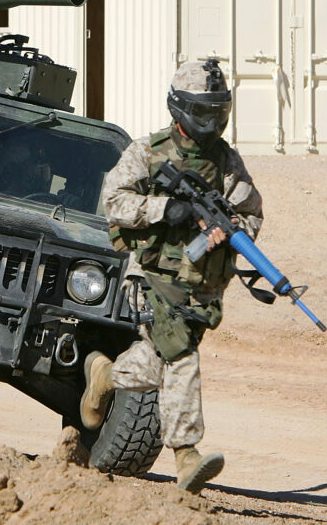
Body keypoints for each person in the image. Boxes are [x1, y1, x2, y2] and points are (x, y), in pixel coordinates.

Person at [79, 58, 263, 495]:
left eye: (218, 112)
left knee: (158, 360)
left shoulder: (226, 161)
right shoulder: (147, 151)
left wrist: (229, 232)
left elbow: (251, 213)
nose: (211, 122)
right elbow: (113, 202)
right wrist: (165, 209)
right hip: (152, 275)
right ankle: (186, 455)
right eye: (202, 112)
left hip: (201, 284)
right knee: (181, 355)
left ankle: (106, 376)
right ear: (179, 108)